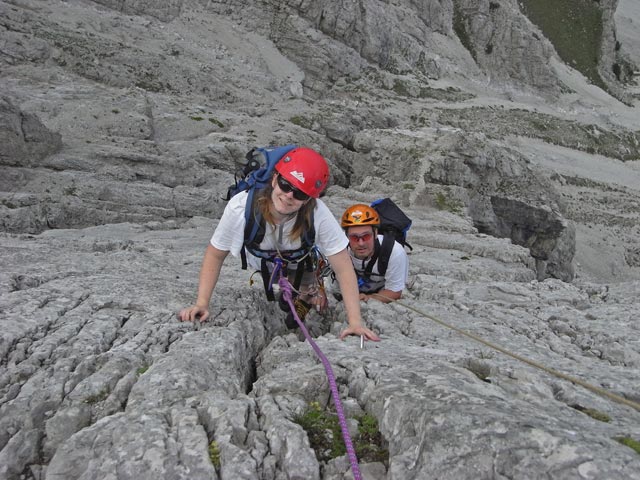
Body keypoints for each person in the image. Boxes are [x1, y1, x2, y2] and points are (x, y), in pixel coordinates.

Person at [179, 147, 380, 342]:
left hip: (300, 261)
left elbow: (343, 267)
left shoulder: (317, 213)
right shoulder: (241, 207)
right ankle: (293, 295)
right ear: (274, 179)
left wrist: (355, 322)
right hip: (262, 262)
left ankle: (304, 297)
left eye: (300, 193)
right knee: (285, 291)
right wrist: (202, 303)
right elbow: (215, 254)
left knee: (304, 288)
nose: (289, 195)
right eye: (286, 184)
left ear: (309, 199)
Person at [340, 203, 409, 303]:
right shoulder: (338, 249)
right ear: (346, 236)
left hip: (379, 290)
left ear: (376, 233)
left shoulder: (394, 251)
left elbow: (394, 292)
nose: (361, 243)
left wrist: (369, 298)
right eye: (354, 237)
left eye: (366, 236)